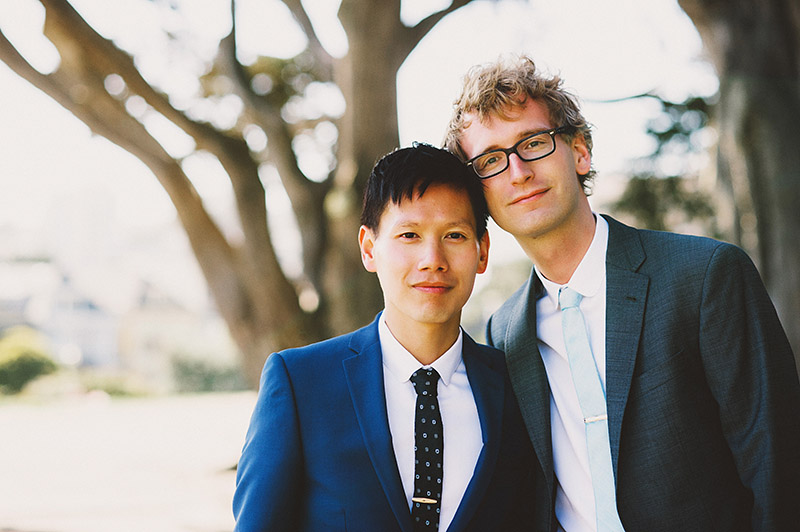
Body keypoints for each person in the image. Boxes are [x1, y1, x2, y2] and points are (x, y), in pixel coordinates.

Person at [443, 54, 800, 532]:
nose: (517, 172)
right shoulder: (504, 332)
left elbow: (779, 470)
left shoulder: (705, 276)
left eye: (533, 143)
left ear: (579, 151)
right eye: (490, 160)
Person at [232, 142, 537, 531]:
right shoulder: (300, 383)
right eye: (409, 235)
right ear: (369, 248)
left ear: (482, 252)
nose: (432, 260)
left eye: (455, 236)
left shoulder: (517, 387)